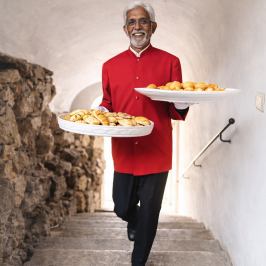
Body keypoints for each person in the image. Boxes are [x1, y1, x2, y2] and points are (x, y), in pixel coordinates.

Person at [98, 1, 190, 265]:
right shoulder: (110, 65)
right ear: (125, 29)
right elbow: (108, 102)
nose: (137, 27)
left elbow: (175, 106)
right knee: (122, 206)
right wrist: (101, 109)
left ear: (153, 26)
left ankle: (138, 261)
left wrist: (183, 101)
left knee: (150, 212)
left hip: (157, 149)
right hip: (125, 149)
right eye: (132, 22)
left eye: (143, 21)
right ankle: (133, 219)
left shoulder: (171, 61)